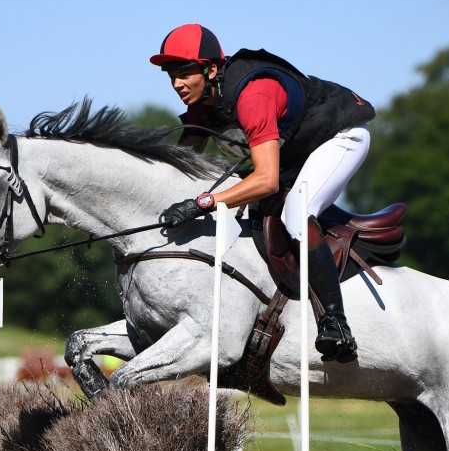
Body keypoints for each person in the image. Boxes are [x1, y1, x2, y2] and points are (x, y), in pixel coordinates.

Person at [153, 23, 375, 364]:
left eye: (185, 74)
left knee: (297, 214)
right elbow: (183, 166)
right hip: (296, 151)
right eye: (172, 76)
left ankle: (336, 323)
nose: (177, 84)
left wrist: (203, 203)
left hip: (339, 137)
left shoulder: (252, 94)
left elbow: (267, 180)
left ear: (210, 69)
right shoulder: (203, 102)